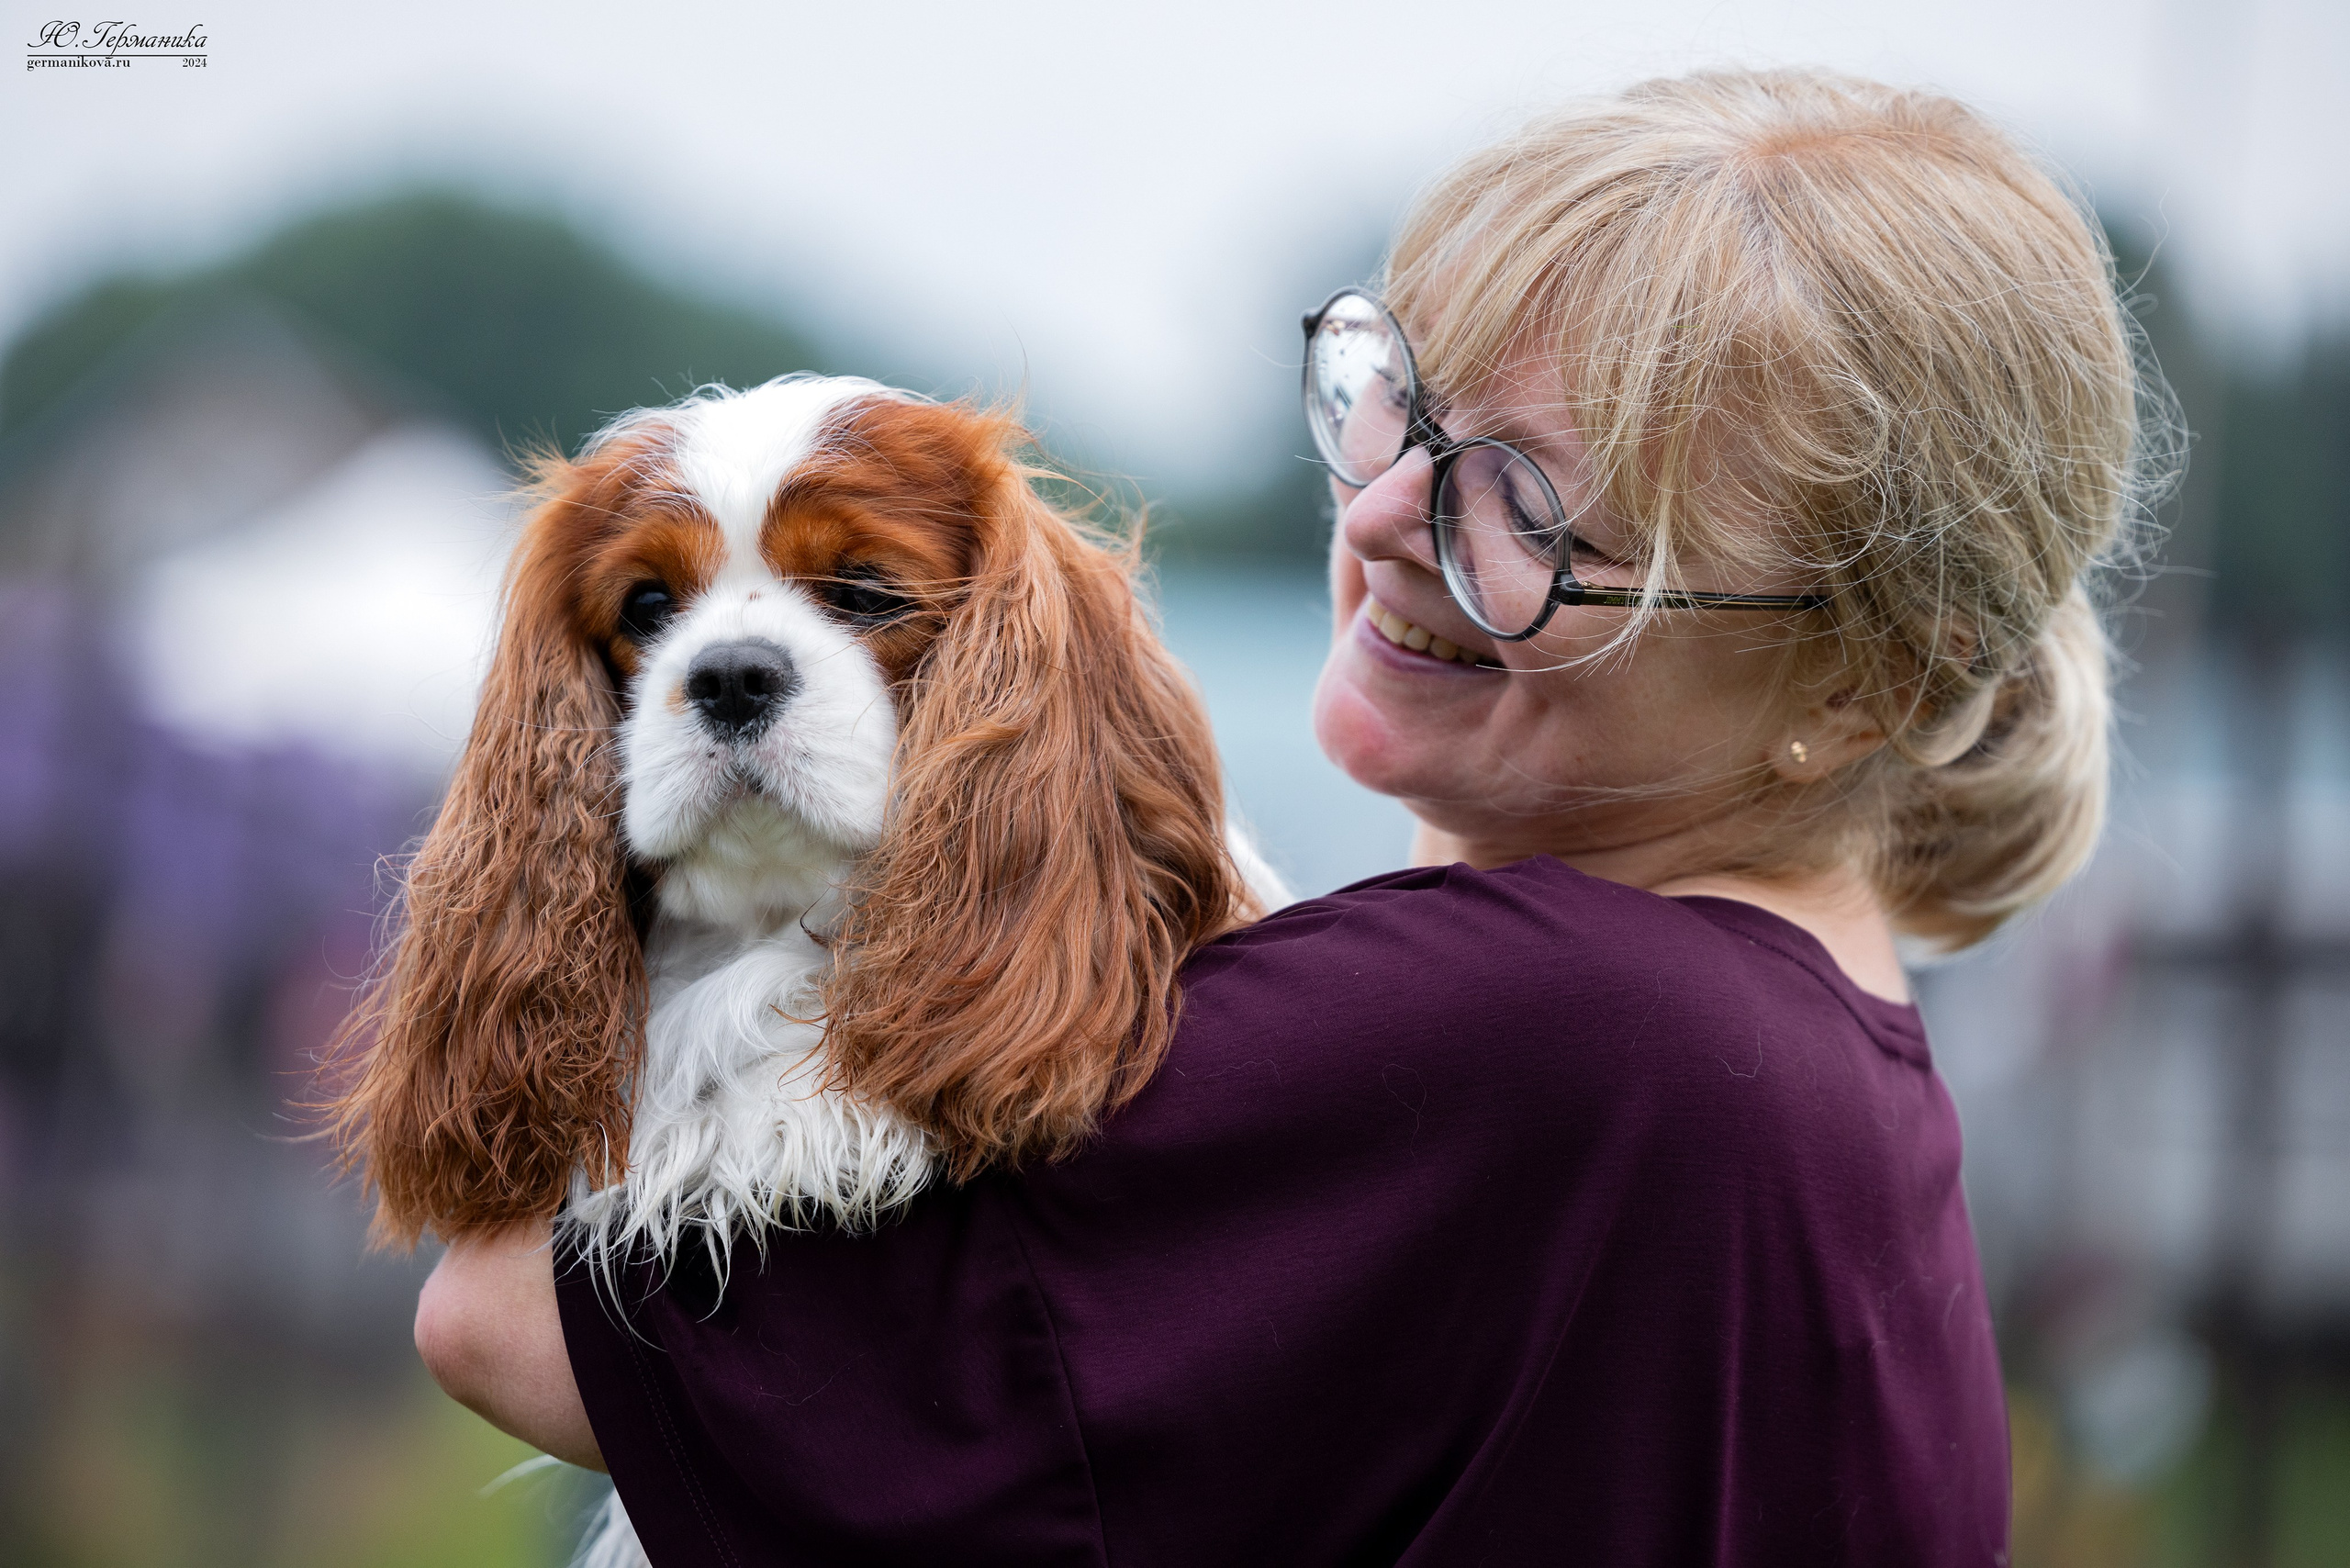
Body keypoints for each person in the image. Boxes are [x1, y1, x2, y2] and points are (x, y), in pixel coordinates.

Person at [414, 68, 2162, 1564]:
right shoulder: (1836, 1071)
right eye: (1403, 403)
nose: (1398, 512)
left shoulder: (1554, 1023)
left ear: (1860, 685)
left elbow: (517, 1319)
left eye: (1538, 514)